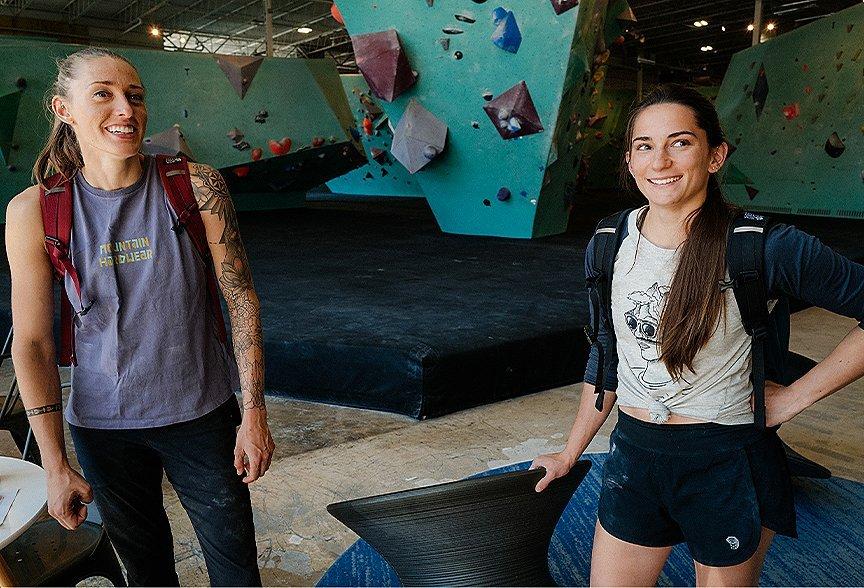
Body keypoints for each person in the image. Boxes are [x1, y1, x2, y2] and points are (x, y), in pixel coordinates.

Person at [531, 84, 864, 586]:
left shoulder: (765, 246)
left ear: (715, 155)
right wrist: (570, 450)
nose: (660, 160)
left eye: (680, 142)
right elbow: (607, 356)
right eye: (644, 146)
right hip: (636, 456)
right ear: (629, 160)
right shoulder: (608, 242)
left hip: (726, 459)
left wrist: (795, 397)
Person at [6, 47, 275, 586]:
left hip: (201, 415)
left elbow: (240, 298)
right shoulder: (34, 210)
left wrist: (254, 415)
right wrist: (55, 464)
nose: (125, 109)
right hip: (104, 430)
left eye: (135, 95)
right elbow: (32, 344)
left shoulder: (195, 186)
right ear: (64, 110)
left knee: (236, 569)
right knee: (147, 571)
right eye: (102, 94)